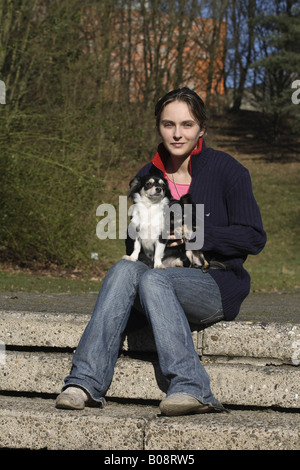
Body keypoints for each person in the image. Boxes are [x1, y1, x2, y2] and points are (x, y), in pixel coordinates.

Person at [56, 87, 266, 415]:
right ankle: (83, 382)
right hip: (154, 275)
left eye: (187, 125)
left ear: (202, 129)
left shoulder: (229, 171)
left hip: (213, 281)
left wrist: (198, 234)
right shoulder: (146, 177)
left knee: (155, 281)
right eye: (169, 125)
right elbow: (133, 246)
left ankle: (192, 387)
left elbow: (253, 237)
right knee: (124, 269)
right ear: (159, 127)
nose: (177, 134)